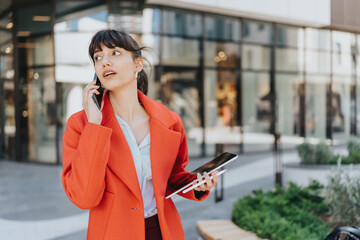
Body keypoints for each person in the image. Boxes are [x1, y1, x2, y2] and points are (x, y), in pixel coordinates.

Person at [61, 29, 219, 240]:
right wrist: (95, 127)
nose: (105, 62)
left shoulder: (169, 121)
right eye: (98, 57)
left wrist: (198, 185)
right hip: (113, 234)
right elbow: (84, 197)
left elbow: (174, 177)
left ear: (137, 65)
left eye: (115, 53)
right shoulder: (81, 125)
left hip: (162, 230)